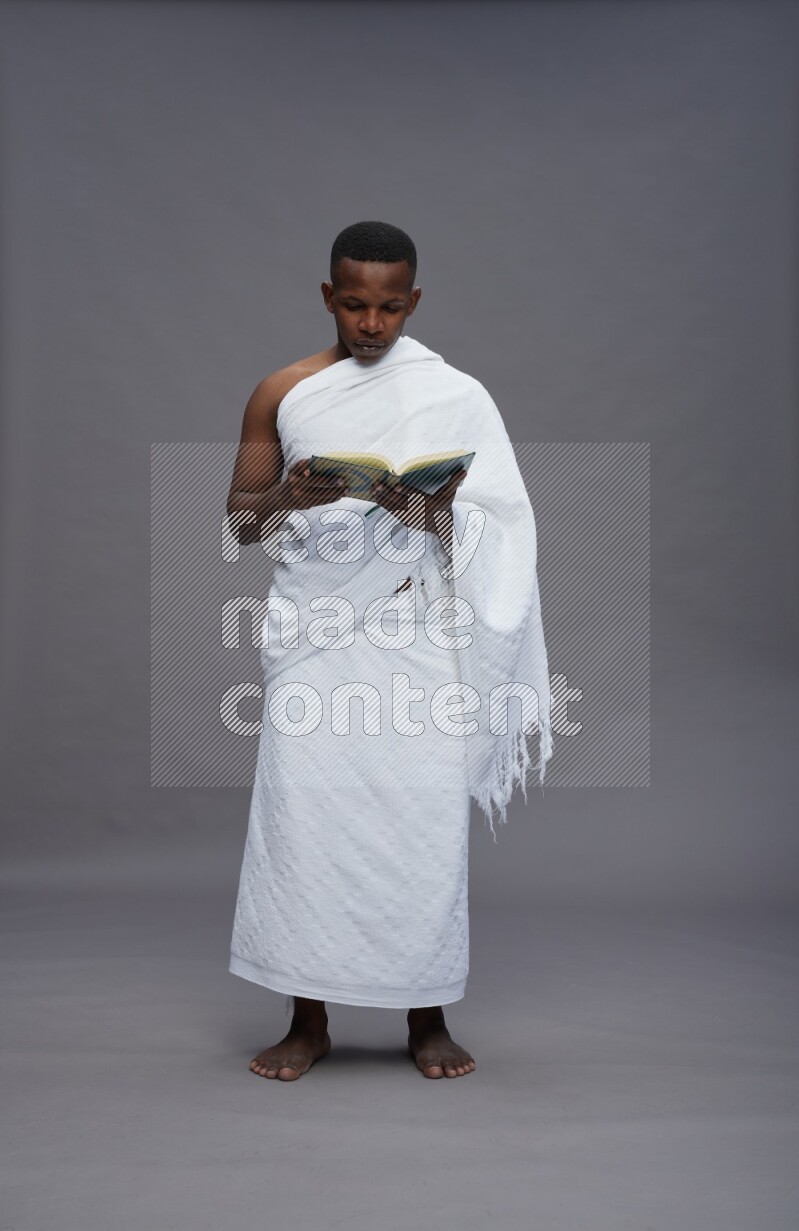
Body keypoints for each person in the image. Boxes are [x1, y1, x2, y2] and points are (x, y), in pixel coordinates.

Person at [226, 221, 552, 1081]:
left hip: (416, 636)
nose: (374, 324)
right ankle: (307, 1018)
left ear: (415, 301)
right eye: (358, 305)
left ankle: (426, 1013)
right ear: (329, 297)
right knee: (306, 820)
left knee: (421, 818)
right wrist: (287, 495)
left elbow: (501, 522)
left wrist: (431, 513)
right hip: (317, 639)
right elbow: (239, 521)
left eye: (392, 307)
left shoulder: (459, 395)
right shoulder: (283, 393)